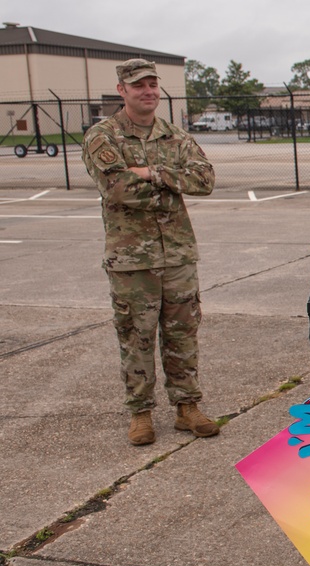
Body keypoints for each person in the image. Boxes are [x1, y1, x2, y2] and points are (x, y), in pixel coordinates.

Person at [81, 58, 219, 447]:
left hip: (177, 255)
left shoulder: (174, 135)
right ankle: (140, 413)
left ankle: (186, 407)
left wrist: (152, 172)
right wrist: (172, 184)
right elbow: (118, 189)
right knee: (135, 336)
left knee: (183, 334)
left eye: (153, 84)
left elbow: (205, 180)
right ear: (122, 90)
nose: (148, 91)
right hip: (131, 260)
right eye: (138, 85)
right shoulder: (102, 136)